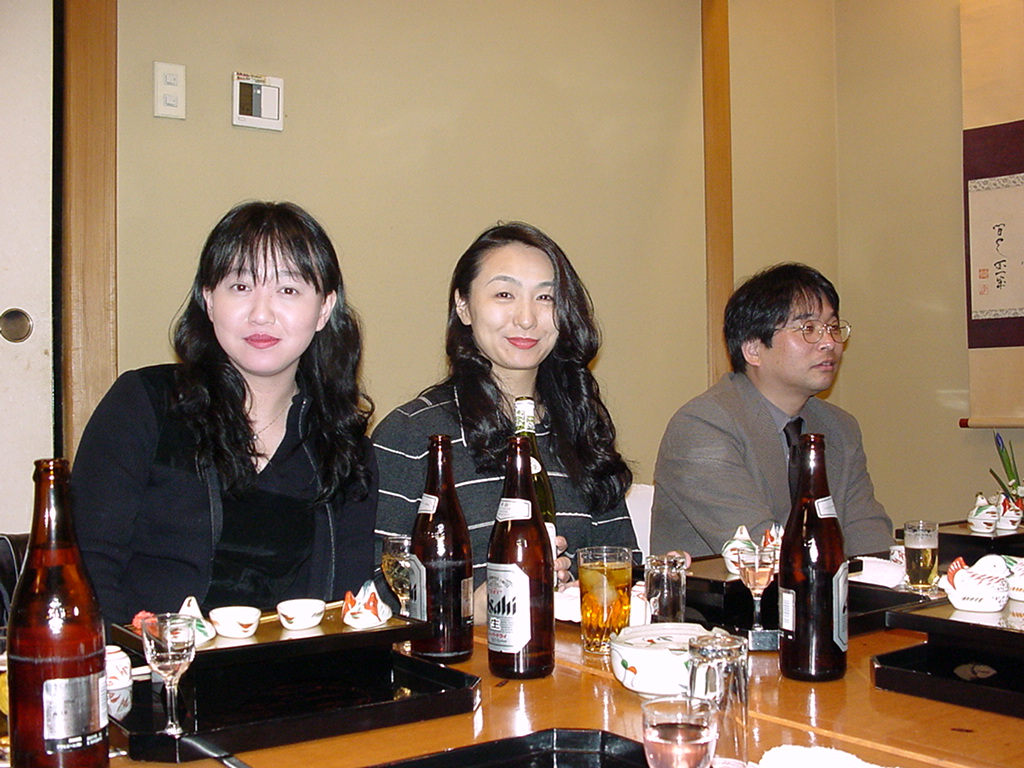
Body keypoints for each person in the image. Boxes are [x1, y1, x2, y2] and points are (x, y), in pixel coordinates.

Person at [72, 201, 377, 626]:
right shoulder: (144, 404)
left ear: (324, 309)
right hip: (150, 659)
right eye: (240, 286)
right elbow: (88, 565)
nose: (261, 314)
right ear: (209, 300)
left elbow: (347, 606)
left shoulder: (343, 445)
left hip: (287, 665)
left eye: (288, 290)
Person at [372, 221, 637, 605]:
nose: (526, 318)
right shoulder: (413, 434)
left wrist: (576, 586)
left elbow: (624, 567)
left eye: (545, 298)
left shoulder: (579, 429)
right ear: (463, 306)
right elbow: (373, 589)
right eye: (504, 294)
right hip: (455, 645)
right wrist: (474, 603)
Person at [650, 262, 893, 558]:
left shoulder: (840, 428)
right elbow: (760, 550)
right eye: (809, 329)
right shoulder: (703, 426)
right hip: (736, 588)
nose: (829, 342)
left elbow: (870, 539)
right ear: (753, 349)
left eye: (832, 327)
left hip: (828, 586)